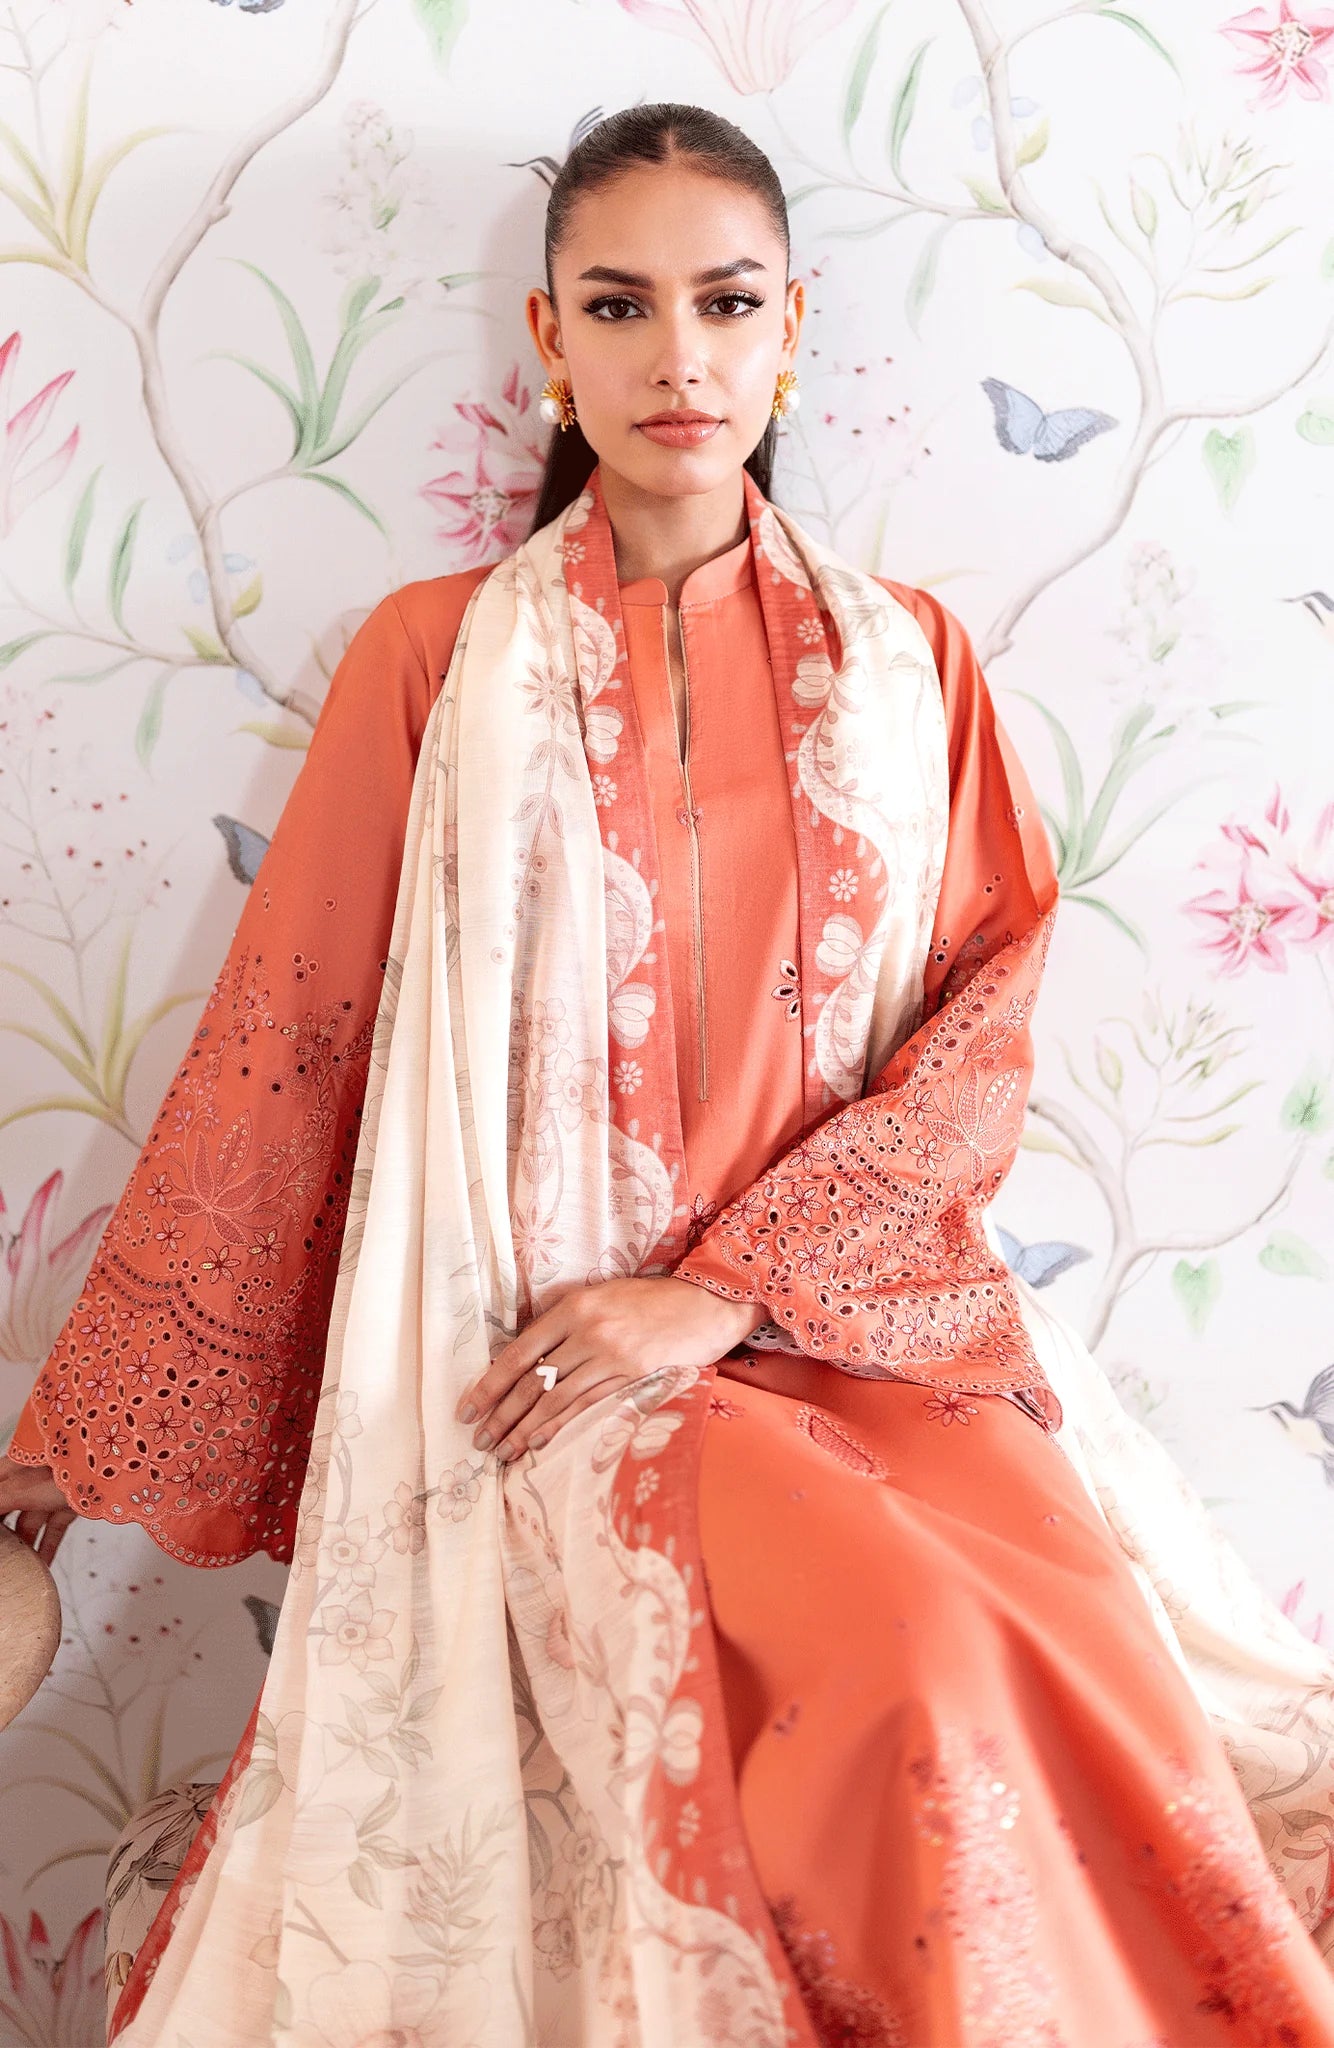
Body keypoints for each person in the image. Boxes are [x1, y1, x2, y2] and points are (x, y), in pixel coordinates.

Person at [4, 101, 1334, 2048]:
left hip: (871, 1337)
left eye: (724, 301)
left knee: (1065, 1645)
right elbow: (291, 1045)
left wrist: (720, 1289)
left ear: (791, 325)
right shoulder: (433, 660)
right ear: (550, 339)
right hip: (556, 1366)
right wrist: (65, 1455)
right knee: (910, 1666)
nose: (677, 354)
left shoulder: (911, 665)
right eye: (619, 305)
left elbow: (977, 1034)